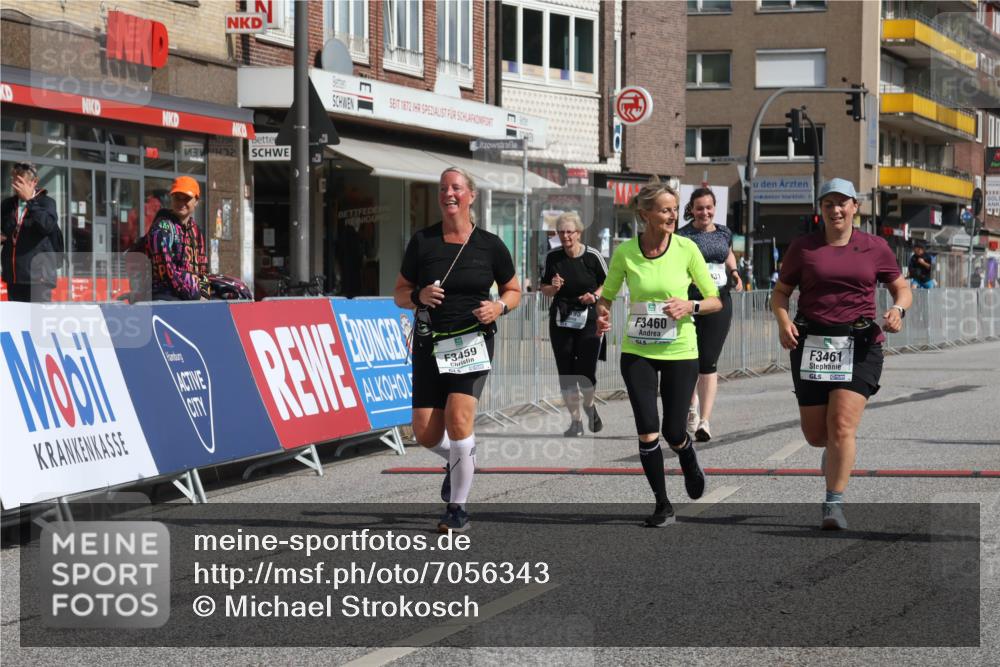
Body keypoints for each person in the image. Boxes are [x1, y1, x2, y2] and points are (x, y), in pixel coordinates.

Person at [771, 178, 911, 530]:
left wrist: (898, 310)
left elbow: (902, 288)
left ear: (855, 207)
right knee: (817, 435)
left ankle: (834, 504)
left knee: (842, 426)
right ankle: (832, 456)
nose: (836, 210)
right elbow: (781, 293)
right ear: (821, 209)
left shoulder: (875, 247)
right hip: (811, 344)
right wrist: (782, 320)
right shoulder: (803, 247)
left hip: (860, 344)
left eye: (842, 203)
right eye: (829, 204)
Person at [394, 167, 521, 533]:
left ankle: (457, 508)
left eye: (456, 188)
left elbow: (513, 290)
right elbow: (399, 292)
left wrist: (499, 307)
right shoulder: (423, 242)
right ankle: (460, 460)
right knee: (425, 433)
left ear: (471, 195)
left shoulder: (491, 245)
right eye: (443, 188)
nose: (449, 194)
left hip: (472, 342)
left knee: (459, 419)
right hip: (429, 343)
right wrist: (418, 296)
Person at [596, 181, 722, 527]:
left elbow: (715, 300)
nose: (672, 215)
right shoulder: (625, 253)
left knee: (672, 430)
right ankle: (662, 504)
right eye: (665, 210)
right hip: (638, 350)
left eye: (673, 209)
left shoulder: (686, 249)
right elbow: (606, 296)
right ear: (645, 214)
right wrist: (602, 313)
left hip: (680, 350)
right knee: (648, 429)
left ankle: (686, 453)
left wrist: (690, 304)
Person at [677, 188, 743, 442]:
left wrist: (735, 272)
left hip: (718, 302)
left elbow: (727, 253)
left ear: (715, 208)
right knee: (689, 359)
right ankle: (690, 408)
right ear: (691, 209)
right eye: (699, 208)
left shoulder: (724, 232)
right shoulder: (682, 236)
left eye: (709, 207)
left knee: (708, 361)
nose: (704, 212)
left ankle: (705, 421)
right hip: (690, 301)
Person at [540, 211, 608, 437]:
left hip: (588, 319)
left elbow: (609, 284)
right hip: (561, 318)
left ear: (578, 233)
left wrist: (595, 296)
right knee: (566, 373)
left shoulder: (592, 256)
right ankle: (576, 422)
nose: (566, 236)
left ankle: (589, 405)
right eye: (561, 232)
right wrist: (554, 287)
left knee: (586, 373)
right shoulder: (553, 257)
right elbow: (544, 289)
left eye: (570, 232)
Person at [1, 162, 60, 302]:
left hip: (39, 276)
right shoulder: (7, 204)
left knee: (38, 320)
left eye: (21, 182)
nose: (17, 186)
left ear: (34, 182)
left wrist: (30, 201)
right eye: (14, 181)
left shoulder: (46, 202)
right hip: (14, 275)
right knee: (17, 321)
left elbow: (47, 225)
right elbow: (7, 231)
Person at [147, 176, 207, 300]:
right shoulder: (162, 227)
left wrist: (204, 293)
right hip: (164, 296)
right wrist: (190, 294)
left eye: (186, 198)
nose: (181, 203)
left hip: (190, 296)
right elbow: (165, 270)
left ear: (196, 201)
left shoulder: (196, 231)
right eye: (177, 198)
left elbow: (202, 266)